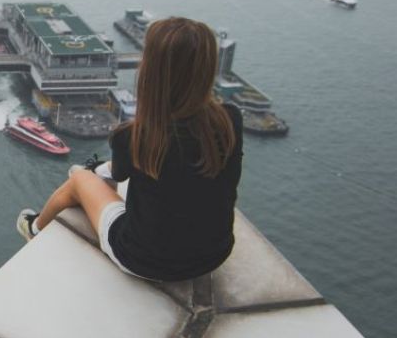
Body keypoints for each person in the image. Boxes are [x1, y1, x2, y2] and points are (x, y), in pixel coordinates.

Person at [17, 17, 243, 281]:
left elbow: (120, 173)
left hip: (143, 260)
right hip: (213, 255)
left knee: (79, 178)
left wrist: (92, 173)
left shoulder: (136, 136)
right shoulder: (230, 118)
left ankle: (34, 227)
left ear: (151, 71)